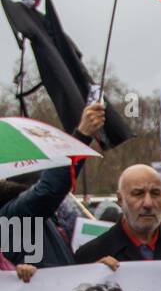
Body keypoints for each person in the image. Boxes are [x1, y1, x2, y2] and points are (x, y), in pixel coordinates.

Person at [0, 102, 104, 268]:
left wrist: (94, 268)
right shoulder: (12, 214)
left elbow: (61, 261)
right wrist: (82, 134)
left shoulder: (40, 214)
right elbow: (48, 191)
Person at [74, 165, 161, 267]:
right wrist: (92, 279)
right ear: (120, 199)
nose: (148, 203)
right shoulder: (92, 255)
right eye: (138, 194)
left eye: (155, 193)